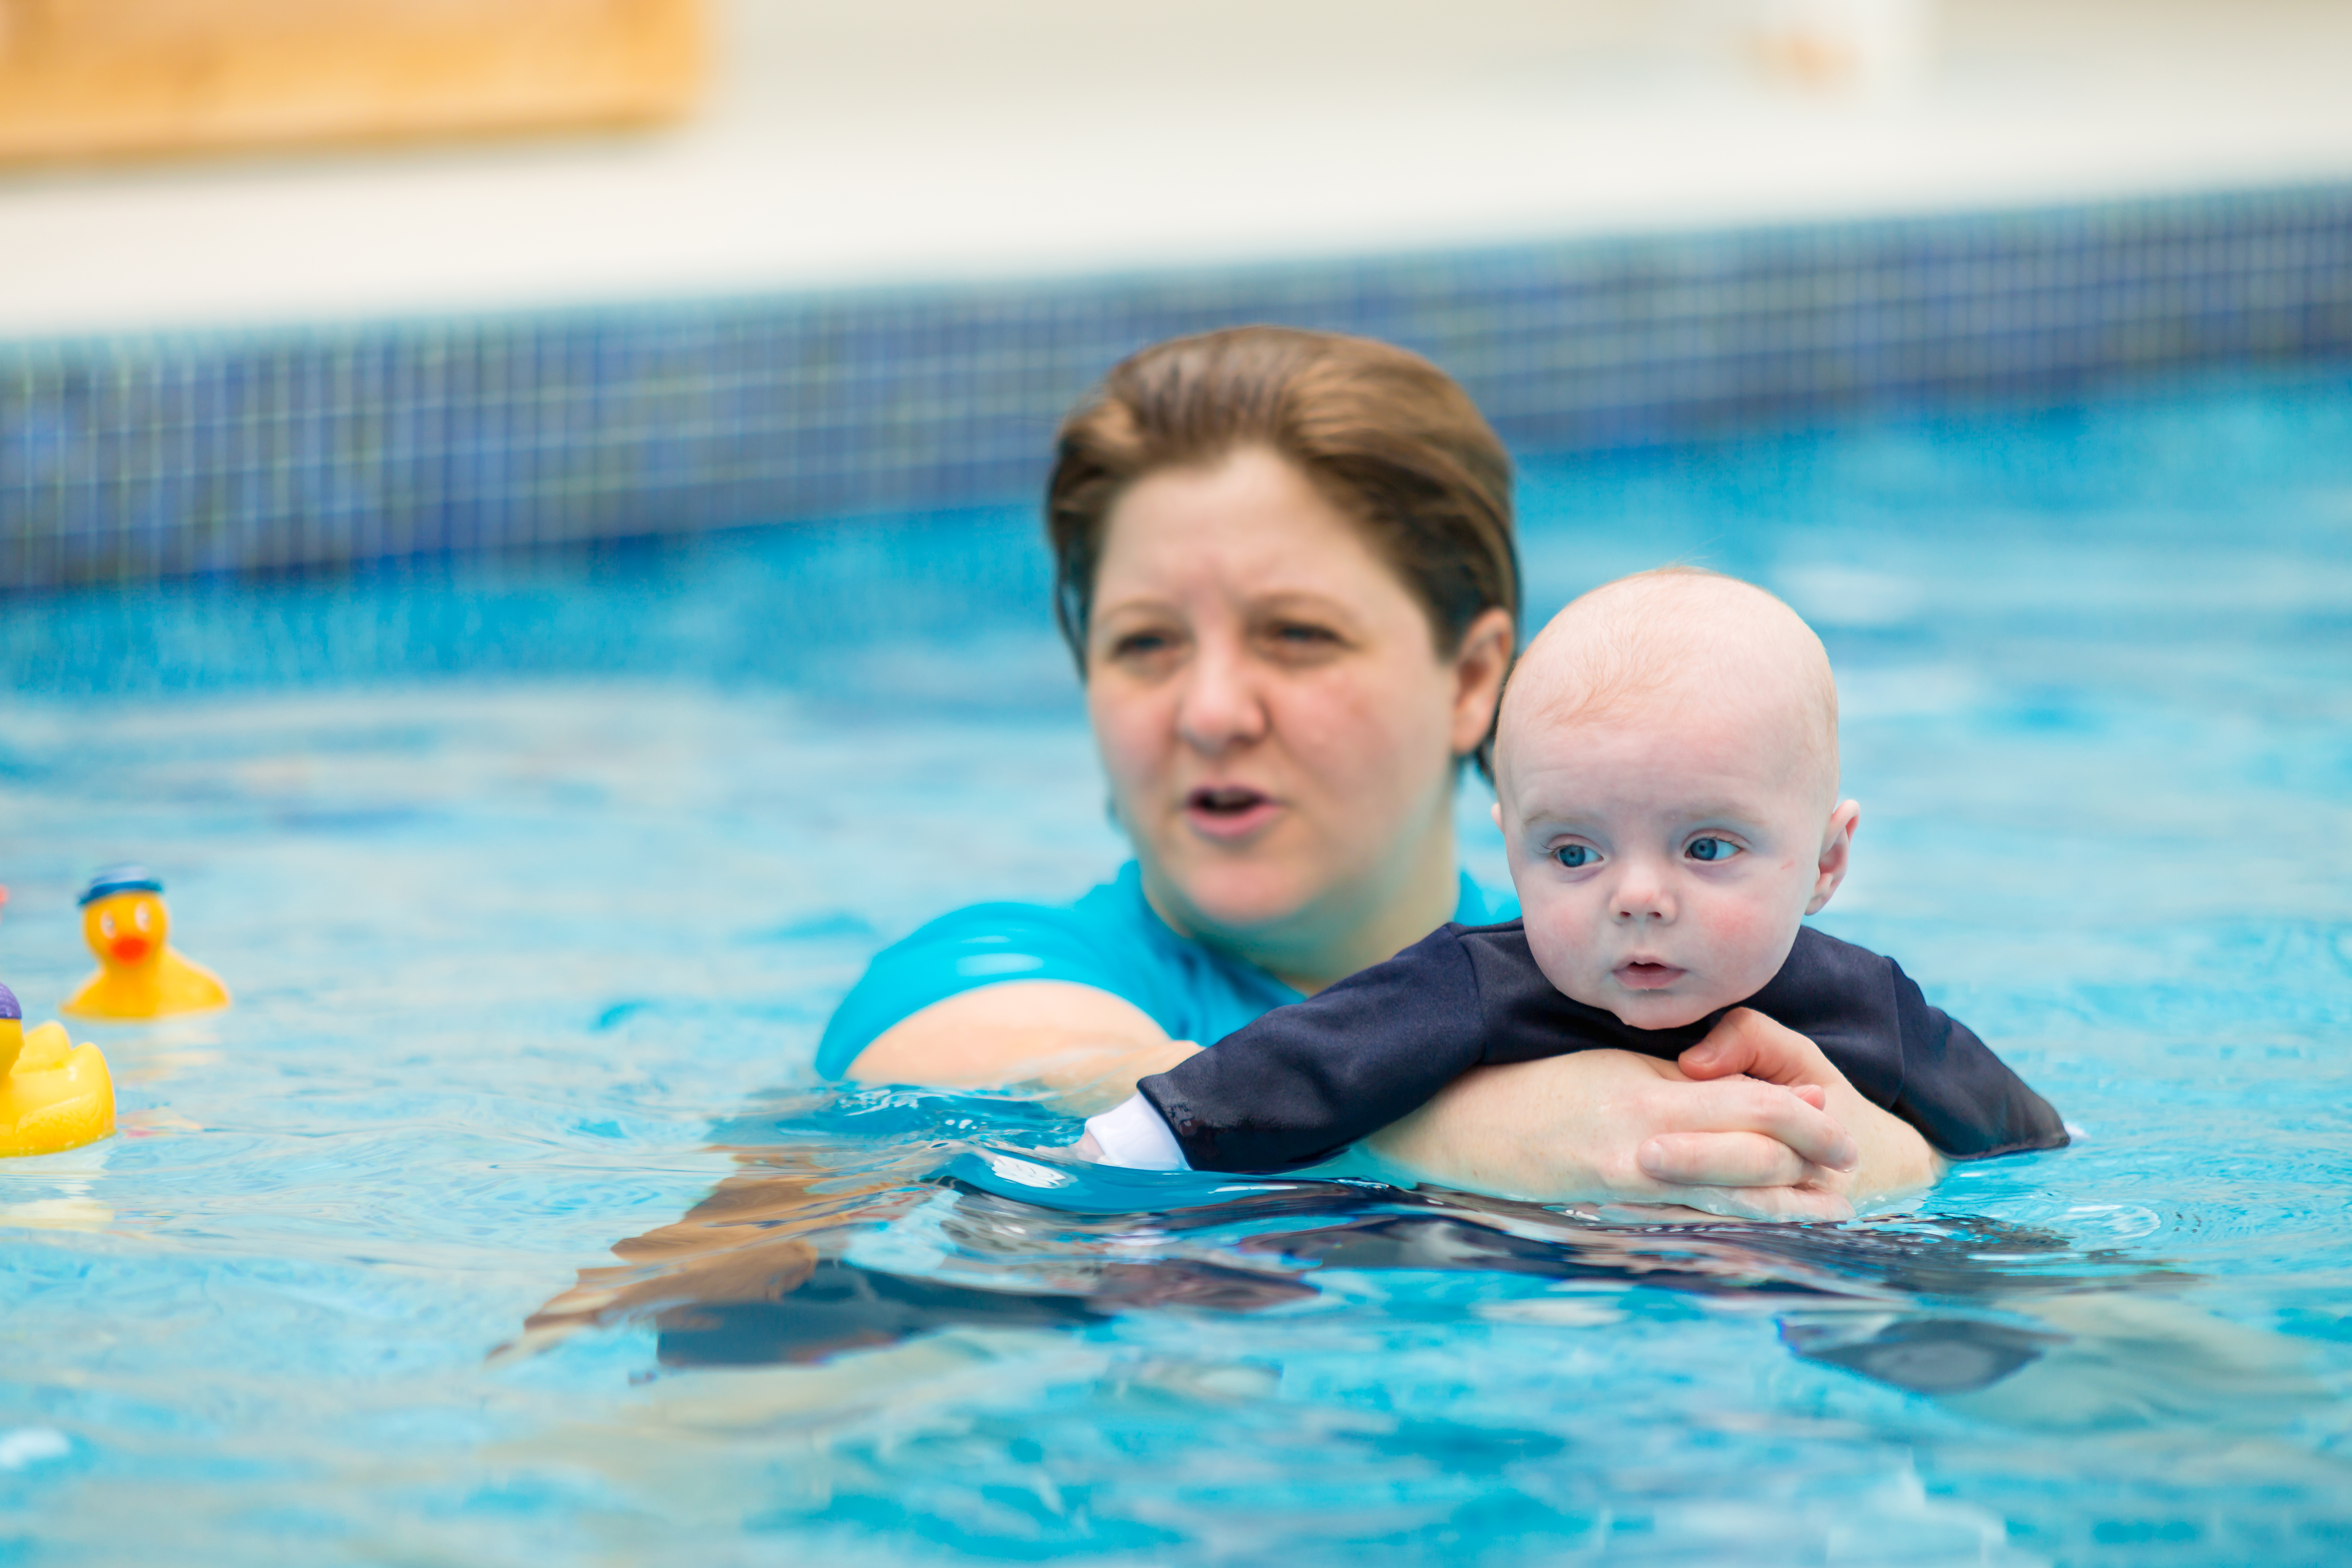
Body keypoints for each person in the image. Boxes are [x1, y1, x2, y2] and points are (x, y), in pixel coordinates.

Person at [823, 325, 1942, 1220]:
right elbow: (1075, 1075)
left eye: (1298, 635)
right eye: (1146, 644)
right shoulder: (978, 972)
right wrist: (1495, 1135)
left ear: (1472, 682)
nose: (1211, 710)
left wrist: (1875, 1160)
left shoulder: (1650, 964)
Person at [1079, 568, 2067, 1209]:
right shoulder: (1473, 988)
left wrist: (1939, 1166)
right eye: (1576, 856)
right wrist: (1152, 1133)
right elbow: (1315, 1055)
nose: (1638, 896)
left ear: (1825, 865)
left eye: (1709, 848)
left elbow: (2013, 1132)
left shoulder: (1865, 1005)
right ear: (1511, 851)